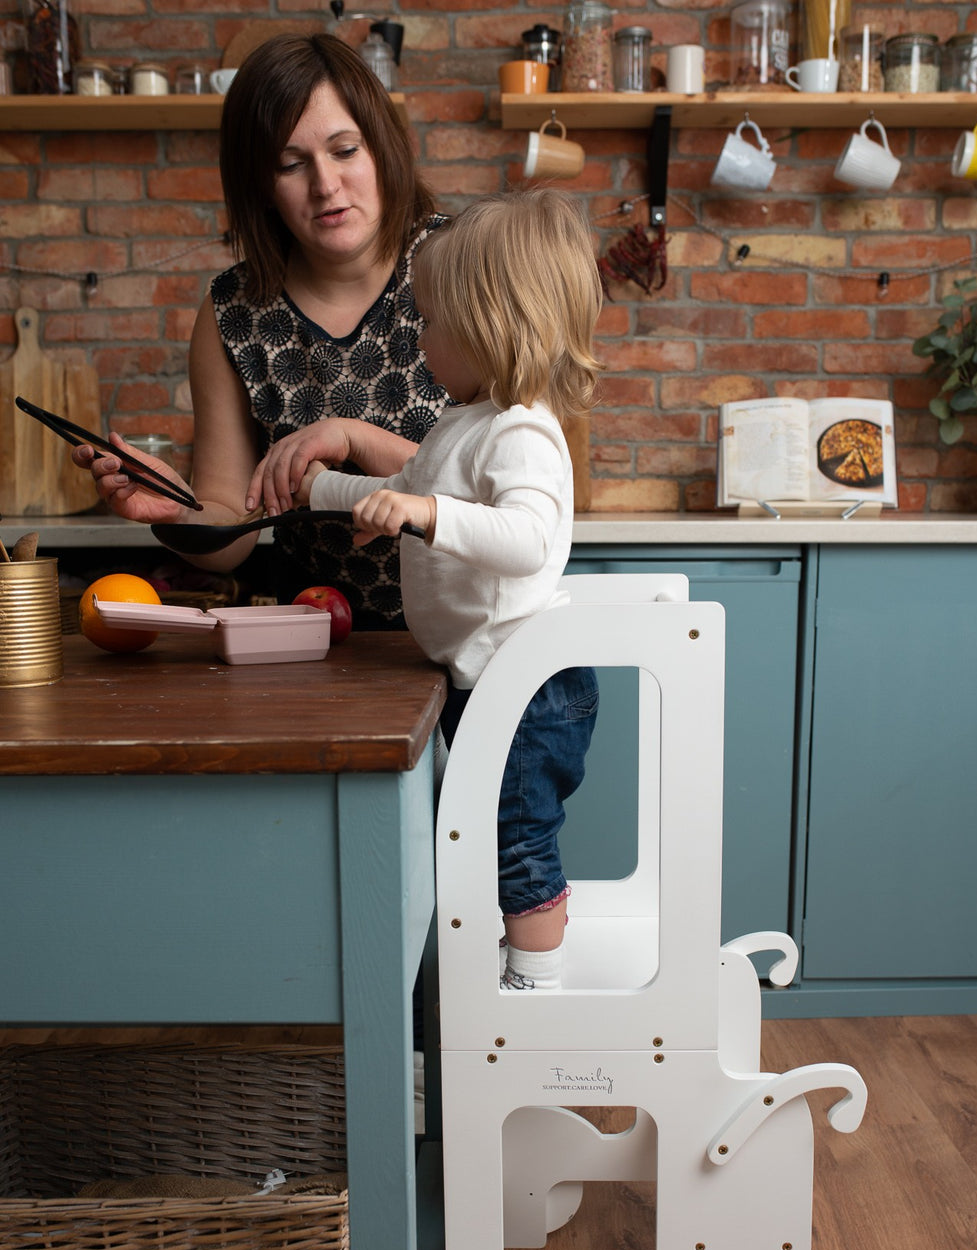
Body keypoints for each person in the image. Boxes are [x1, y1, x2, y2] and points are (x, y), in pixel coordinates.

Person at [296, 189, 603, 991]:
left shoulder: (523, 429)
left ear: (493, 323)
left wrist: (427, 514)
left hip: (530, 687)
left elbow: (531, 540)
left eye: (431, 321)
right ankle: (522, 965)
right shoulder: (463, 424)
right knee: (489, 829)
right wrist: (322, 490)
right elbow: (405, 482)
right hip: (485, 678)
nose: (420, 337)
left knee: (517, 833)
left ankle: (539, 980)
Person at [72, 33, 451, 629]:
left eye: (345, 150)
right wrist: (176, 512)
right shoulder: (236, 311)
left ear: (384, 147)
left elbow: (510, 483)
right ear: (262, 185)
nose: (325, 185)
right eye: (291, 164)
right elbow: (233, 526)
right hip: (327, 648)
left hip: (487, 648)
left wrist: (351, 437)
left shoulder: (461, 264)